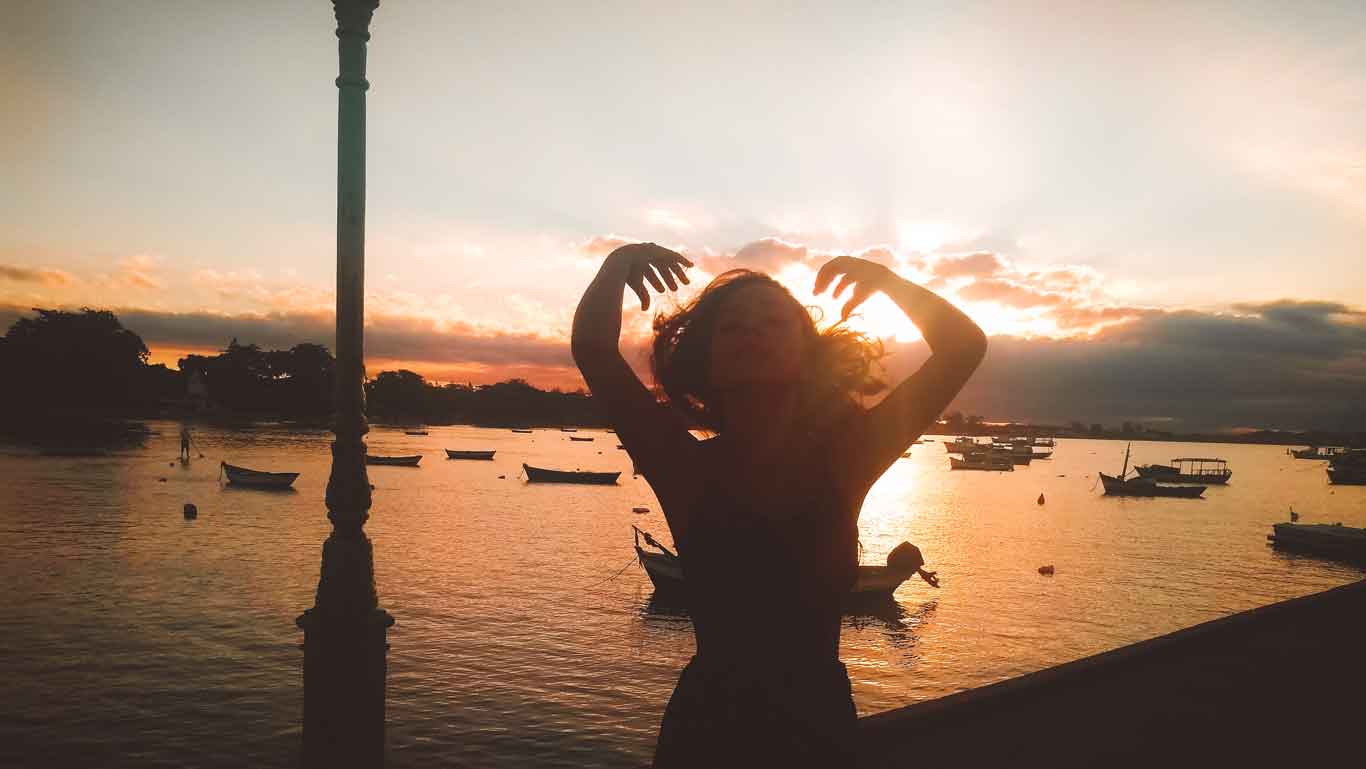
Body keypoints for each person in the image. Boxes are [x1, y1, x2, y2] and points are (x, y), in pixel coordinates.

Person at [571, 242, 986, 767]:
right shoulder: (684, 466)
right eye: (733, 327)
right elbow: (592, 347)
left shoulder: (848, 456)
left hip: (815, 730)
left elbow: (963, 346)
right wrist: (618, 262)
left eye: (773, 323)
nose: (752, 333)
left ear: (806, 356)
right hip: (707, 732)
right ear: (708, 362)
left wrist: (888, 281)